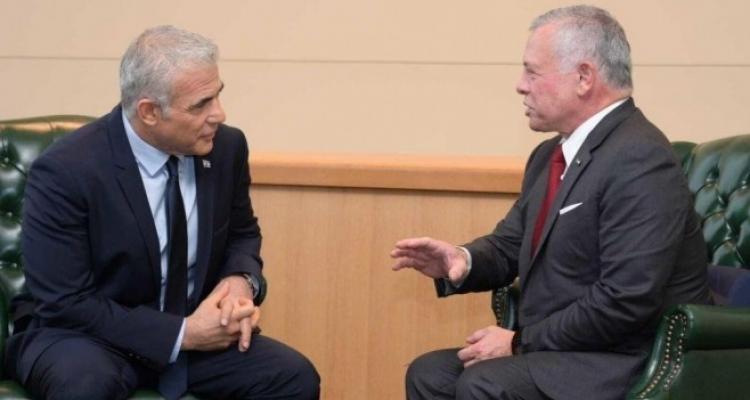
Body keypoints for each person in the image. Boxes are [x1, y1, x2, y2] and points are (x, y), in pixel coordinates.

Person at [391, 5, 711, 400]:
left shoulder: (640, 158)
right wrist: (462, 260)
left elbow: (626, 299)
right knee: (429, 374)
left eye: (532, 72)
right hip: (563, 349)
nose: (520, 86)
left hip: (623, 358)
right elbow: (510, 244)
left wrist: (518, 342)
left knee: (484, 384)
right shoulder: (549, 156)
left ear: (584, 78)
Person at [4, 25, 319, 400]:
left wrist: (241, 280)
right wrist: (182, 334)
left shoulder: (227, 148)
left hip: (193, 333)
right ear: (149, 112)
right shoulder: (67, 169)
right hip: (86, 336)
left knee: (294, 378)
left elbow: (242, 233)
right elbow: (65, 303)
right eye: (200, 105)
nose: (219, 114)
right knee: (85, 385)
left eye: (218, 95)